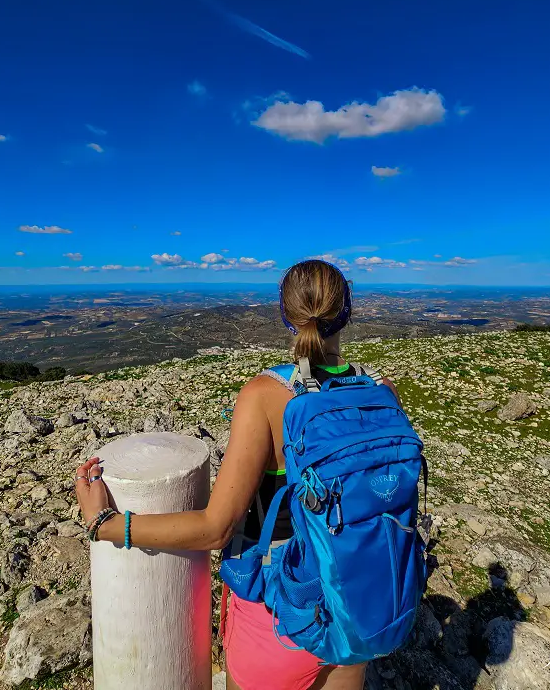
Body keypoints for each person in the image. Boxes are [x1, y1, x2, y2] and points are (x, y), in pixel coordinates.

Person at [75, 259, 404, 690]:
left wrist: (106, 524)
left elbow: (216, 528)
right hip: (360, 608)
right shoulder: (382, 393)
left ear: (285, 315)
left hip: (281, 616)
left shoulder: (265, 397)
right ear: (348, 312)